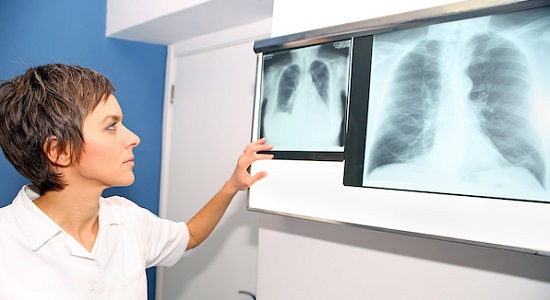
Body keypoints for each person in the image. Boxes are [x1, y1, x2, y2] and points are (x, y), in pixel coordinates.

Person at [0, 63, 273, 299]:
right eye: (111, 126)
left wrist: (232, 186)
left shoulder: (126, 218)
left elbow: (189, 235)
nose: (133, 138)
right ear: (59, 151)